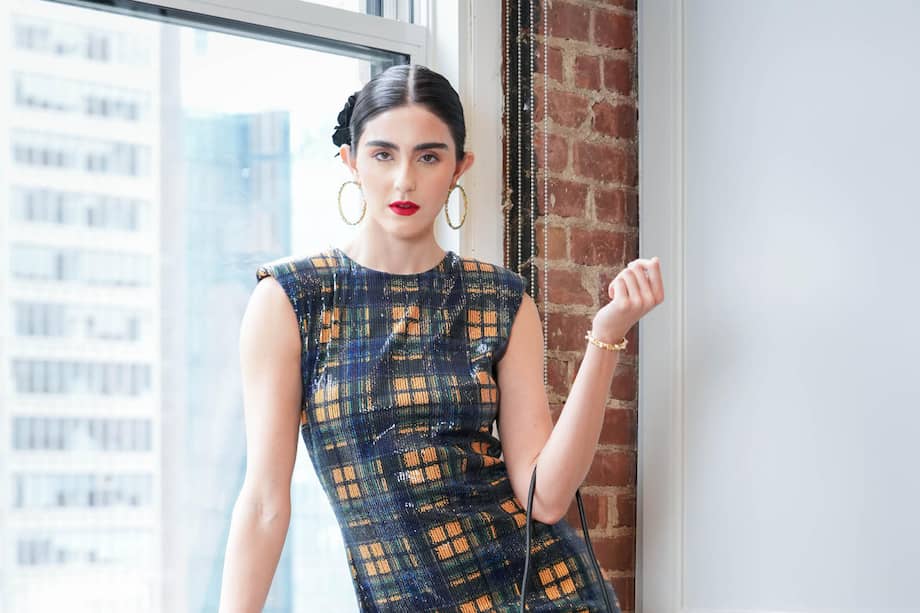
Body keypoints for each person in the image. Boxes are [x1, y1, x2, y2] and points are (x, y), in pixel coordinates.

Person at [218, 63, 663, 612]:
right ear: (351, 161)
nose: (404, 179)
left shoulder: (502, 301)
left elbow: (544, 497)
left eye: (428, 156)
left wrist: (605, 337)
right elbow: (264, 503)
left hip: (544, 597)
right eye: (383, 154)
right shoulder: (293, 301)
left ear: (458, 168)